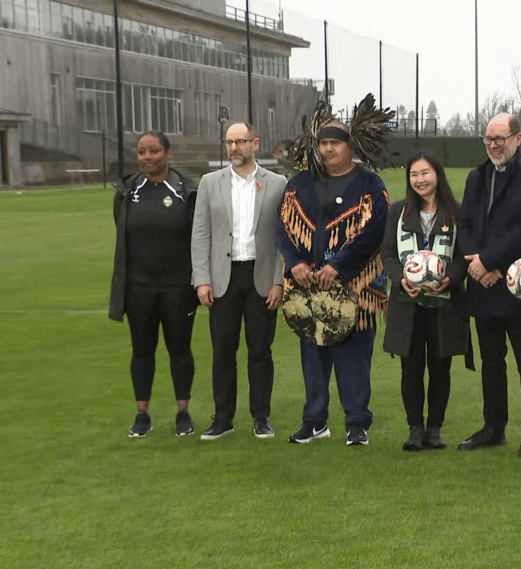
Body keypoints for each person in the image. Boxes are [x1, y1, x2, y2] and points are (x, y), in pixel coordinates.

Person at [276, 97, 392, 446]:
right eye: (323, 143)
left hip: (357, 285)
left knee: (354, 356)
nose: (327, 149)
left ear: (349, 146)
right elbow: (283, 226)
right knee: (313, 354)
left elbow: (375, 229)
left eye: (334, 144)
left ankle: (357, 423)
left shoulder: (370, 184)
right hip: (308, 285)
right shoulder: (300, 183)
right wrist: (296, 263)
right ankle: (314, 421)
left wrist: (339, 266)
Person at [456, 112, 521, 457]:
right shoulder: (476, 178)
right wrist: (478, 264)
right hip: (483, 284)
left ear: (518, 138)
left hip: (518, 284)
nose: (494, 145)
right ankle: (494, 427)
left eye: (500, 138)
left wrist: (490, 262)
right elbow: (464, 225)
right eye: (489, 139)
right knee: (491, 361)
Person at [191, 121, 287, 440]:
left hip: (261, 278)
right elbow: (200, 234)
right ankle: (223, 418)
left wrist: (279, 281)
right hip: (222, 279)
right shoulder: (209, 183)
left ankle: (261, 416)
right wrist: (201, 279)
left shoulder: (277, 183)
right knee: (223, 351)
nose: (234, 148)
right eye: (230, 143)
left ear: (255, 143)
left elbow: (283, 238)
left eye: (241, 142)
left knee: (260, 350)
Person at [109, 131, 199, 438]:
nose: (148, 157)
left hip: (178, 286)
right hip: (138, 288)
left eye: (154, 151)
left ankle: (183, 413)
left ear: (168, 154)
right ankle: (142, 415)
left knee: (180, 349)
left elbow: (197, 237)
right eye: (142, 152)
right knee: (142, 351)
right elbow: (122, 231)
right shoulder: (127, 192)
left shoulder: (186, 191)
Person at [381, 150, 471, 451]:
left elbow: (463, 257)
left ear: (437, 174)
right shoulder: (397, 212)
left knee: (440, 366)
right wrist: (400, 279)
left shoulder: (457, 211)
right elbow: (388, 255)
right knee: (411, 368)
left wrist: (451, 278)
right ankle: (415, 429)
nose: (420, 180)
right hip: (408, 304)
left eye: (425, 173)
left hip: (445, 304)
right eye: (414, 175)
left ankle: (434, 429)